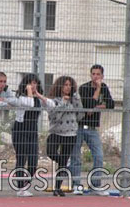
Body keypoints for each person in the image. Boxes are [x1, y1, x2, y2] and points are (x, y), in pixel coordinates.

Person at [69, 64, 114, 195]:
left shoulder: (104, 87)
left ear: (102, 76)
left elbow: (111, 104)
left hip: (92, 128)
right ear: (90, 75)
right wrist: (97, 92)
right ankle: (77, 185)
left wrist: (97, 107)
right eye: (93, 74)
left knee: (99, 156)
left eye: (98, 74)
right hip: (79, 126)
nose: (95, 76)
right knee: (76, 157)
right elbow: (88, 105)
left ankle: (95, 184)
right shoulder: (84, 88)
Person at [12, 74, 53, 197]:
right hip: (20, 130)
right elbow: (29, 103)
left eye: (35, 83)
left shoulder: (37, 99)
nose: (33, 85)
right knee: (21, 158)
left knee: (33, 160)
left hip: (32, 131)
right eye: (30, 83)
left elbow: (51, 105)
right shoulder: (20, 98)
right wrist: (29, 91)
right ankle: (20, 187)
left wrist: (39, 95)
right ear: (25, 85)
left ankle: (26, 184)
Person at [46, 76, 83, 196]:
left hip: (70, 133)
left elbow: (80, 116)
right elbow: (54, 117)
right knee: (51, 152)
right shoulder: (54, 100)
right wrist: (63, 102)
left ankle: (57, 187)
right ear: (60, 86)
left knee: (63, 162)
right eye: (65, 85)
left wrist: (76, 100)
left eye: (69, 85)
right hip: (56, 132)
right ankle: (64, 163)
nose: (68, 87)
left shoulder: (74, 100)